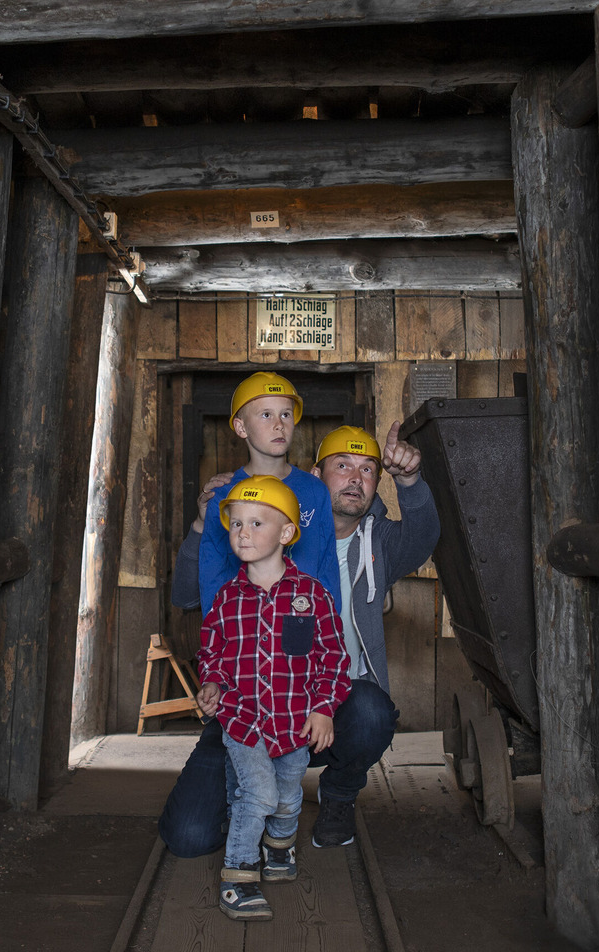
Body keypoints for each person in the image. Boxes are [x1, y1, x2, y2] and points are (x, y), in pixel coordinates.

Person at [160, 419, 440, 855]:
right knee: (189, 836)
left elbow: (424, 538)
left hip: (329, 710)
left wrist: (409, 480)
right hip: (247, 710)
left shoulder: (379, 542)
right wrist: (203, 524)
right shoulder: (265, 535)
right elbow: (186, 596)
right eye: (342, 465)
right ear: (314, 475)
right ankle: (250, 801)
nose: (355, 478)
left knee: (372, 711)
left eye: (368, 470)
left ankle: (339, 793)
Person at [196, 475, 349, 921]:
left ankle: (279, 848)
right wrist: (212, 683)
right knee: (258, 794)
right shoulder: (226, 599)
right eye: (235, 524)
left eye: (256, 523)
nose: (242, 533)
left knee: (286, 796)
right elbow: (212, 653)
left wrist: (323, 708)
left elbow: (333, 658)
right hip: (242, 720)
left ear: (286, 533)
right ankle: (238, 877)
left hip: (294, 721)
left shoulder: (313, 596)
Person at [196, 371, 340, 617]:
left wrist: (327, 624)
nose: (279, 424)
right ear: (241, 427)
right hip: (243, 626)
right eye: (266, 415)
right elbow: (212, 570)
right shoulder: (223, 494)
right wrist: (219, 627)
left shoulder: (315, 490)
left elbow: (327, 568)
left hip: (303, 622)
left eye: (286, 414)